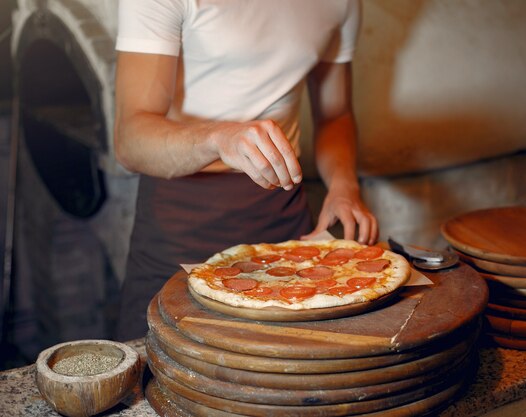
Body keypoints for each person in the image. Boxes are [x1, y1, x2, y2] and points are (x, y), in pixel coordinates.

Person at [113, 0, 378, 341]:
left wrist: (344, 186)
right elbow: (130, 139)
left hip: (284, 222)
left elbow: (335, 113)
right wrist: (219, 137)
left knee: (289, 373)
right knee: (160, 372)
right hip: (178, 224)